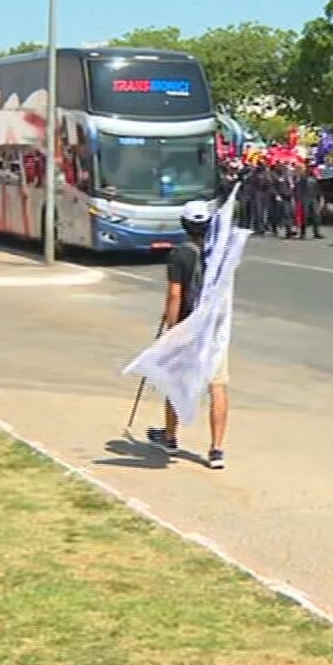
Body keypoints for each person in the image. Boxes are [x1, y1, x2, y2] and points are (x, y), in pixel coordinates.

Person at [146, 200, 229, 470]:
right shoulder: (220, 253)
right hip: (214, 328)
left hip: (188, 326)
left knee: (176, 381)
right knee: (217, 385)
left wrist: (170, 329)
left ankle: (170, 436)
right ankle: (216, 449)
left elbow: (175, 294)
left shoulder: (180, 254)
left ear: (184, 225)